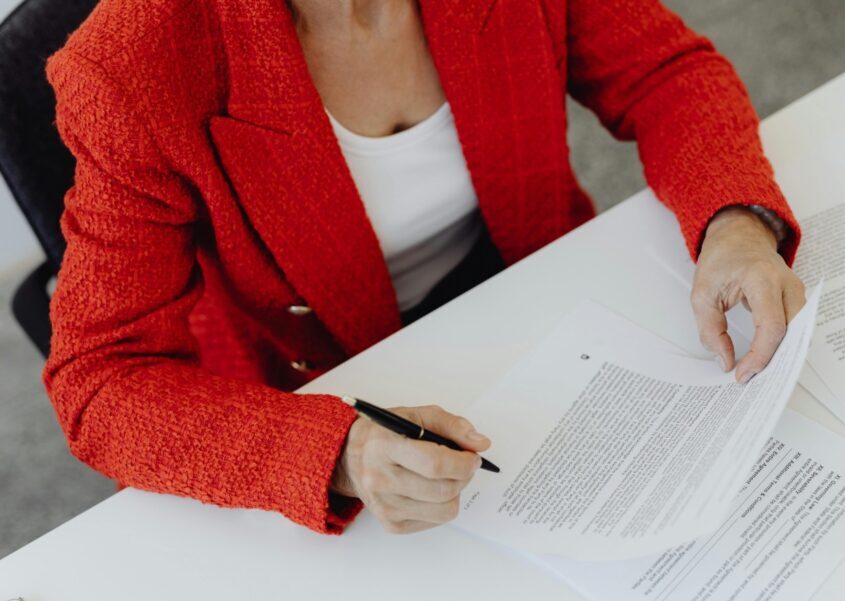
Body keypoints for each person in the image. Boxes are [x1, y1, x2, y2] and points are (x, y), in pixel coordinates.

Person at [43, 0, 805, 536]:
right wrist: (333, 453)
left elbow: (664, 72)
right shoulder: (130, 67)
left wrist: (734, 222)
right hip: (319, 384)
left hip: (535, 302)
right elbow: (100, 378)